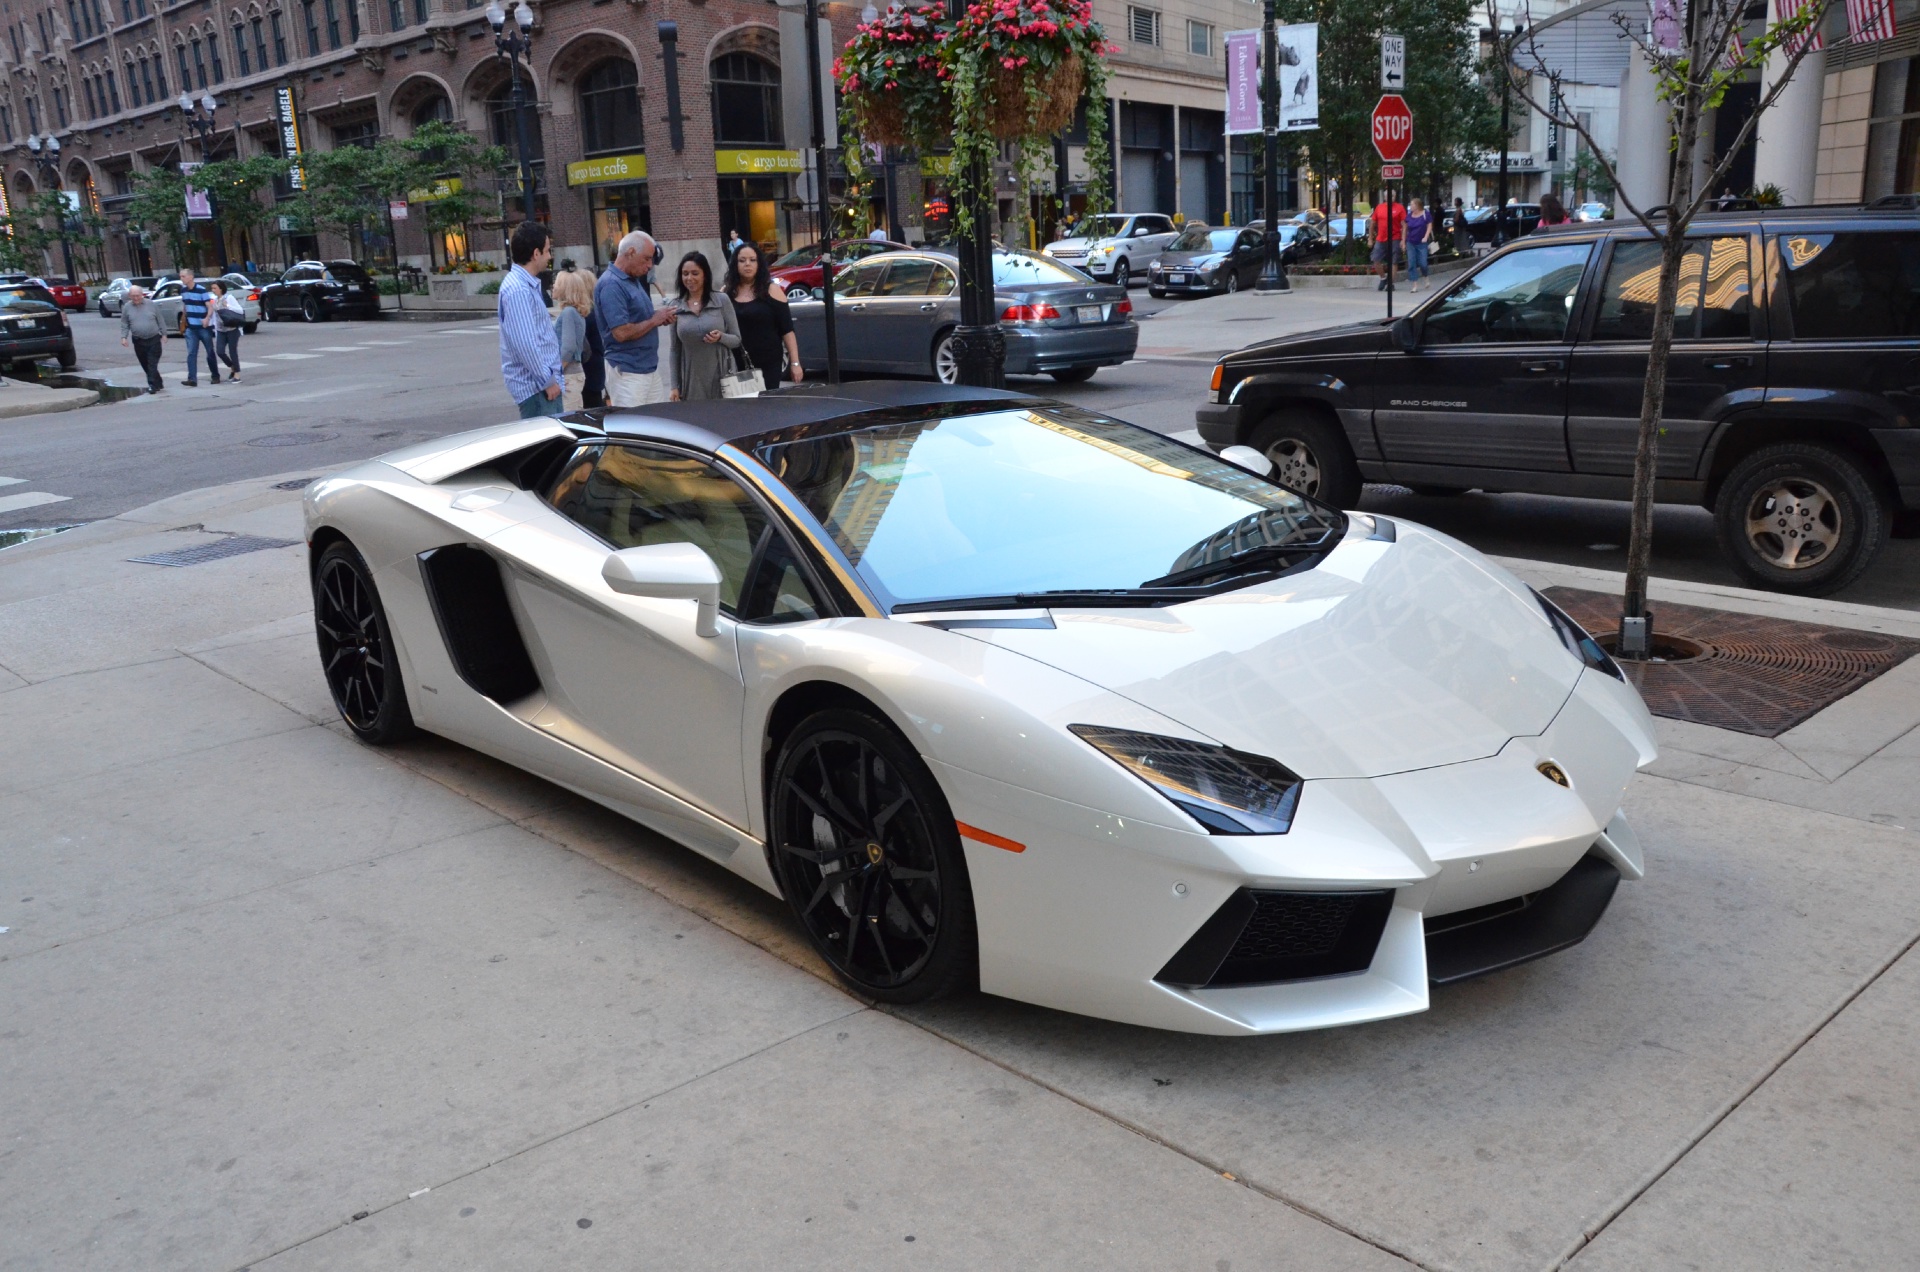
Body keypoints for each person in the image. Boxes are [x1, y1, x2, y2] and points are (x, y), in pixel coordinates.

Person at [594, 229, 679, 407]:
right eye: (647, 259)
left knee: (655, 426)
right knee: (633, 428)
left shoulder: (631, 280)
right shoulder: (611, 284)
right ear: (631, 252)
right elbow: (621, 333)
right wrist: (654, 320)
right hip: (628, 371)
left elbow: (640, 320)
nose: (650, 266)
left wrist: (659, 318)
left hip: (646, 369)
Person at [497, 220, 566, 418]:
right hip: (538, 390)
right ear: (536, 254)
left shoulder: (520, 285)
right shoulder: (518, 289)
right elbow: (526, 344)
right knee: (549, 446)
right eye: (547, 250)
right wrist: (548, 381)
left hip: (540, 387)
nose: (550, 256)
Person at [725, 242, 801, 392]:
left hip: (768, 361)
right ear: (735, 264)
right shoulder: (726, 292)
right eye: (742, 260)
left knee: (767, 407)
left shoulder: (772, 290)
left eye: (752, 260)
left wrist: (795, 363)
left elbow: (787, 330)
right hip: (736, 362)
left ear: (759, 263)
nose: (747, 264)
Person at [667, 251, 741, 402]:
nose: (689, 278)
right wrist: (674, 386)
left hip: (722, 374)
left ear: (705, 275)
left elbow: (736, 339)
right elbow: (675, 349)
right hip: (690, 378)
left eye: (695, 273)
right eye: (685, 274)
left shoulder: (721, 300)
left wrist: (721, 337)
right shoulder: (675, 306)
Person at [550, 265, 594, 412]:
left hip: (569, 375)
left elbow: (569, 347)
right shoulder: (574, 312)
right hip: (573, 374)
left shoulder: (569, 312)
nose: (553, 286)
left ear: (565, 289)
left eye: (557, 283)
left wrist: (556, 373)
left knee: (569, 418)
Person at [118, 284, 166, 394]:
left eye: (138, 296)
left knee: (152, 362)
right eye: (133, 296)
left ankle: (152, 385)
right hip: (138, 340)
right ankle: (158, 382)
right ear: (129, 296)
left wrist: (164, 334)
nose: (136, 298)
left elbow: (160, 319)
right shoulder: (127, 307)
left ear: (142, 295)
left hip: (153, 338)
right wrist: (123, 337)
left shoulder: (151, 304)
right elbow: (124, 323)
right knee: (145, 363)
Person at [178, 267, 219, 386]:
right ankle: (192, 379)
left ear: (191, 277)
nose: (181, 278)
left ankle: (215, 375)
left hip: (203, 327)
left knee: (210, 352)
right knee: (191, 353)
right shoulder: (183, 291)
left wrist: (207, 318)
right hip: (191, 327)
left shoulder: (201, 290)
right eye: (180, 276)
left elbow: (209, 306)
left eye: (183, 276)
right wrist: (183, 321)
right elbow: (185, 306)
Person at [209, 279, 245, 382]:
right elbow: (215, 317)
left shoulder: (229, 298)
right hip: (221, 330)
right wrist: (214, 329)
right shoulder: (215, 300)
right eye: (212, 288)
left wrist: (228, 306)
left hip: (232, 328)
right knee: (220, 351)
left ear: (221, 288)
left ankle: (237, 374)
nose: (213, 290)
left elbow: (240, 310)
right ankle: (232, 366)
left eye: (215, 288)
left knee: (232, 351)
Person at [1369, 197, 1405, 291]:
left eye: (1393, 196)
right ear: (1385, 197)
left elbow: (1404, 225)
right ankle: (1383, 278)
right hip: (1381, 238)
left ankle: (1391, 283)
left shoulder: (1399, 208)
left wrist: (1403, 240)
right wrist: (1370, 238)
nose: (1391, 198)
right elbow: (1372, 223)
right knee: (1376, 259)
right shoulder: (1379, 207)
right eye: (1390, 196)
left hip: (1395, 237)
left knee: (1394, 261)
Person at [1403, 198, 1434, 293]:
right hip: (1411, 242)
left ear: (1417, 205)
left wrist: (1426, 236)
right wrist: (1403, 241)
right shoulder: (1409, 216)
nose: (1410, 206)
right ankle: (1414, 285)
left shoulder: (1425, 214)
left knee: (1423, 263)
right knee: (1412, 263)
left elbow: (1429, 225)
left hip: (1421, 242)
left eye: (1412, 204)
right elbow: (1405, 229)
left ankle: (1426, 277)